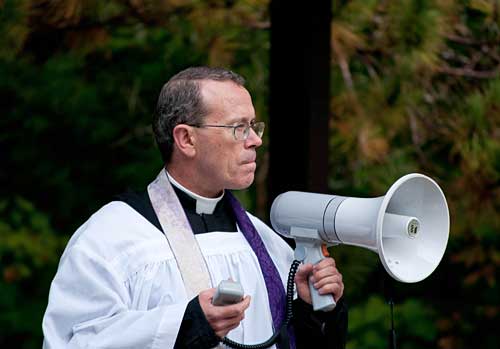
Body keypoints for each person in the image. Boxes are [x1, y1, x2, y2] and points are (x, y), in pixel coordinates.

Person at [42, 66, 348, 349]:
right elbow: (72, 340)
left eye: (254, 126)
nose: (255, 140)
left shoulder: (265, 242)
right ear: (186, 139)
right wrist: (187, 324)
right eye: (238, 128)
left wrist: (312, 311)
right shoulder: (112, 238)